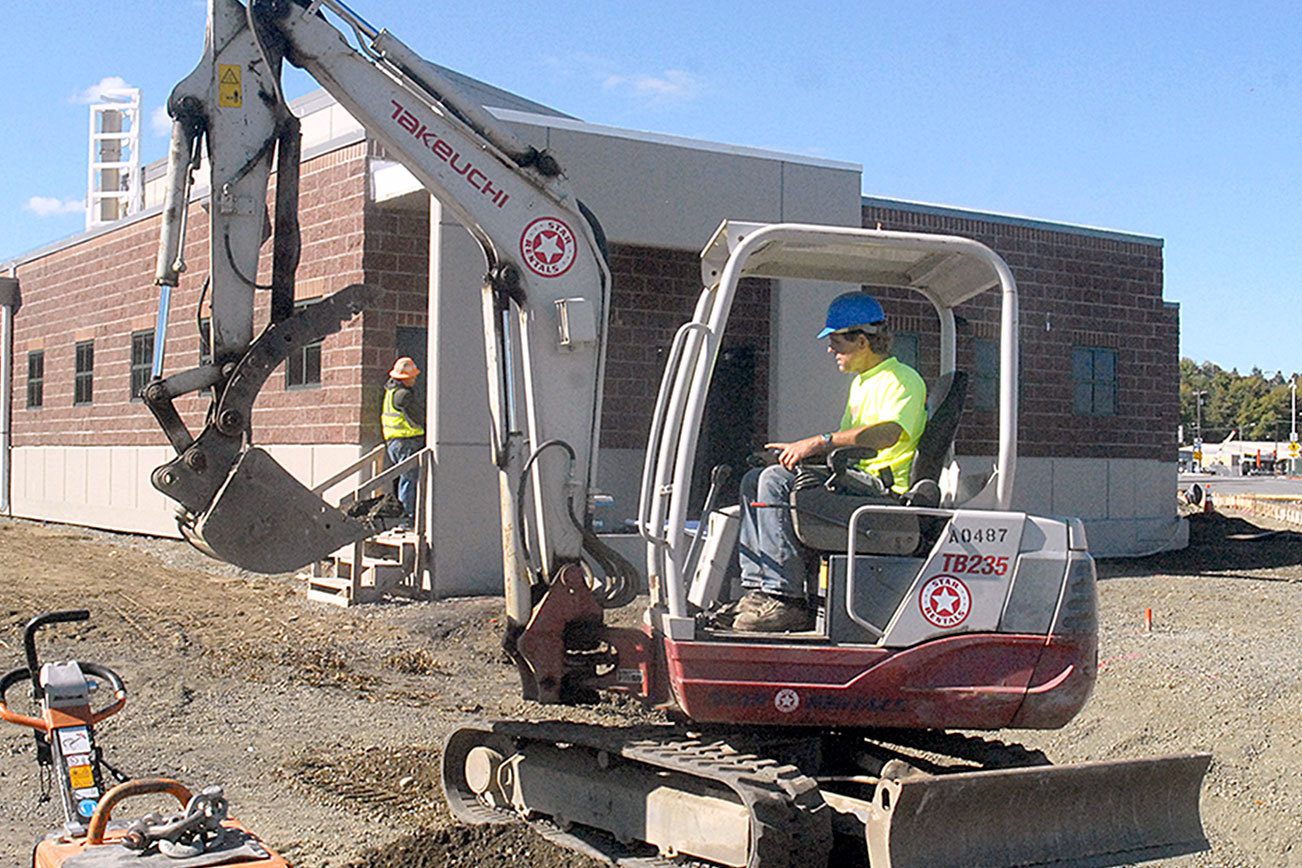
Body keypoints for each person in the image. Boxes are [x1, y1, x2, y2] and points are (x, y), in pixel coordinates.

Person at [732, 292, 927, 632]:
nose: (830, 350)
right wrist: (798, 452)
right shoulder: (863, 384)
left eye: (836, 341)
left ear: (862, 340)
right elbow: (845, 445)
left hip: (883, 491)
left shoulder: (901, 380)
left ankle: (786, 599)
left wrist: (816, 443)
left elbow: (888, 433)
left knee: (775, 482)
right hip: (854, 480)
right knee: (756, 478)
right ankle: (758, 588)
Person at [382, 357, 426, 527]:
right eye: (412, 377)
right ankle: (406, 520)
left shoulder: (391, 392)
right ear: (405, 378)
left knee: (404, 479)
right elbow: (419, 417)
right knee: (409, 480)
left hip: (394, 443)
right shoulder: (403, 395)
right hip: (406, 442)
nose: (414, 379)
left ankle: (402, 517)